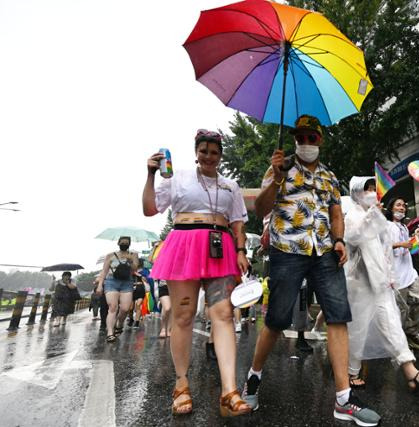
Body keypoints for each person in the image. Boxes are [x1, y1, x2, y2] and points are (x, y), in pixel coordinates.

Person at [243, 115, 380, 427]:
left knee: (338, 316)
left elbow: (335, 213)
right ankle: (253, 377)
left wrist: (340, 240)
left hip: (324, 253)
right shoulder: (279, 168)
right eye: (300, 138)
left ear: (320, 140)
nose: (305, 143)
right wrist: (276, 178)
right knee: (277, 320)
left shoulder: (330, 177)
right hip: (287, 251)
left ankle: (344, 399)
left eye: (311, 138)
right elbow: (261, 209)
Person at [143, 129, 251, 417]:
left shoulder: (230, 185)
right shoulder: (175, 177)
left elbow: (238, 222)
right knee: (183, 316)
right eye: (204, 151)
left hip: (221, 247)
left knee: (224, 314)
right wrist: (151, 175)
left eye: (214, 152)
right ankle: (181, 384)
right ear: (196, 152)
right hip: (183, 245)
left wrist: (241, 251)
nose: (209, 157)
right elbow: (150, 208)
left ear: (221, 156)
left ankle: (229, 391)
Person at [344, 176, 419, 391]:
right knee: (358, 329)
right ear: (356, 193)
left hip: (380, 283)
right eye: (366, 189)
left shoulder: (379, 218)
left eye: (373, 188)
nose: (371, 192)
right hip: (360, 283)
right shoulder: (353, 214)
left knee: (392, 325)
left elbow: (385, 249)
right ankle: (350, 373)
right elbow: (352, 238)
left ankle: (412, 373)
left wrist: (389, 276)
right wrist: (372, 215)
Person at [386, 197, 419, 350]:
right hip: (396, 276)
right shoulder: (386, 226)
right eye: (398, 205)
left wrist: (415, 242)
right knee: (401, 310)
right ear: (391, 208)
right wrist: (401, 244)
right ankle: (400, 341)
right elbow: (382, 246)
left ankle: (411, 330)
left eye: (404, 206)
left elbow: (409, 249)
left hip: (410, 273)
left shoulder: (404, 227)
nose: (402, 208)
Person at [96, 236, 138, 342]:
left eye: (126, 242)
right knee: (112, 307)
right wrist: (100, 285)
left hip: (127, 282)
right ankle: (110, 333)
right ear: (118, 243)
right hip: (111, 282)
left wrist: (131, 262)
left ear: (129, 244)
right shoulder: (110, 255)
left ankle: (119, 324)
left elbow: (135, 269)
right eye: (122, 242)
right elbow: (104, 271)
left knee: (125, 308)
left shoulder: (133, 255)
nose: (124, 243)